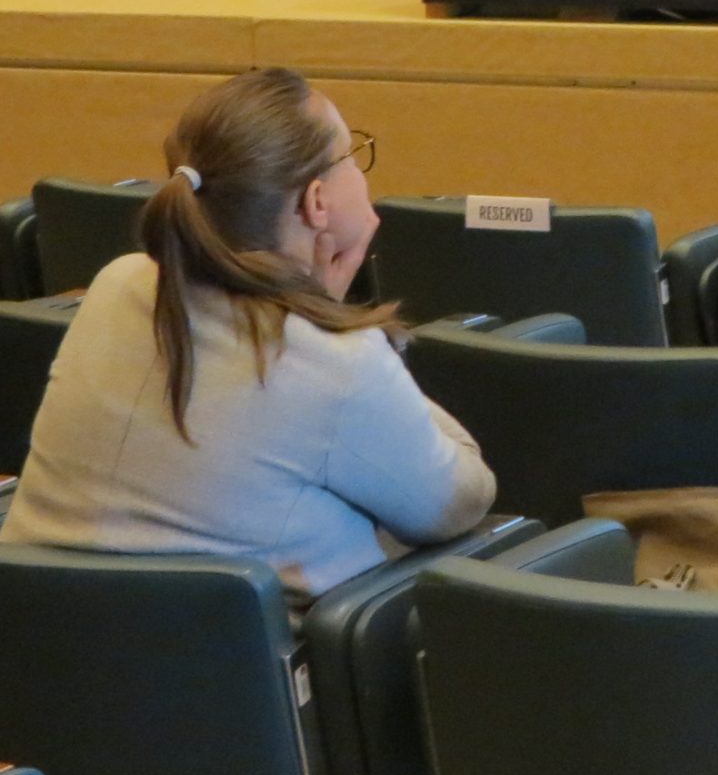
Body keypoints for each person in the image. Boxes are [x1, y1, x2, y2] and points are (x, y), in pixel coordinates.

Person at [0, 70, 495, 604]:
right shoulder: (337, 359)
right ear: (317, 202)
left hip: (39, 639)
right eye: (351, 154)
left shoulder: (118, 283)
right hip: (247, 656)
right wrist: (332, 318)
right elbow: (461, 500)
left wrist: (317, 312)